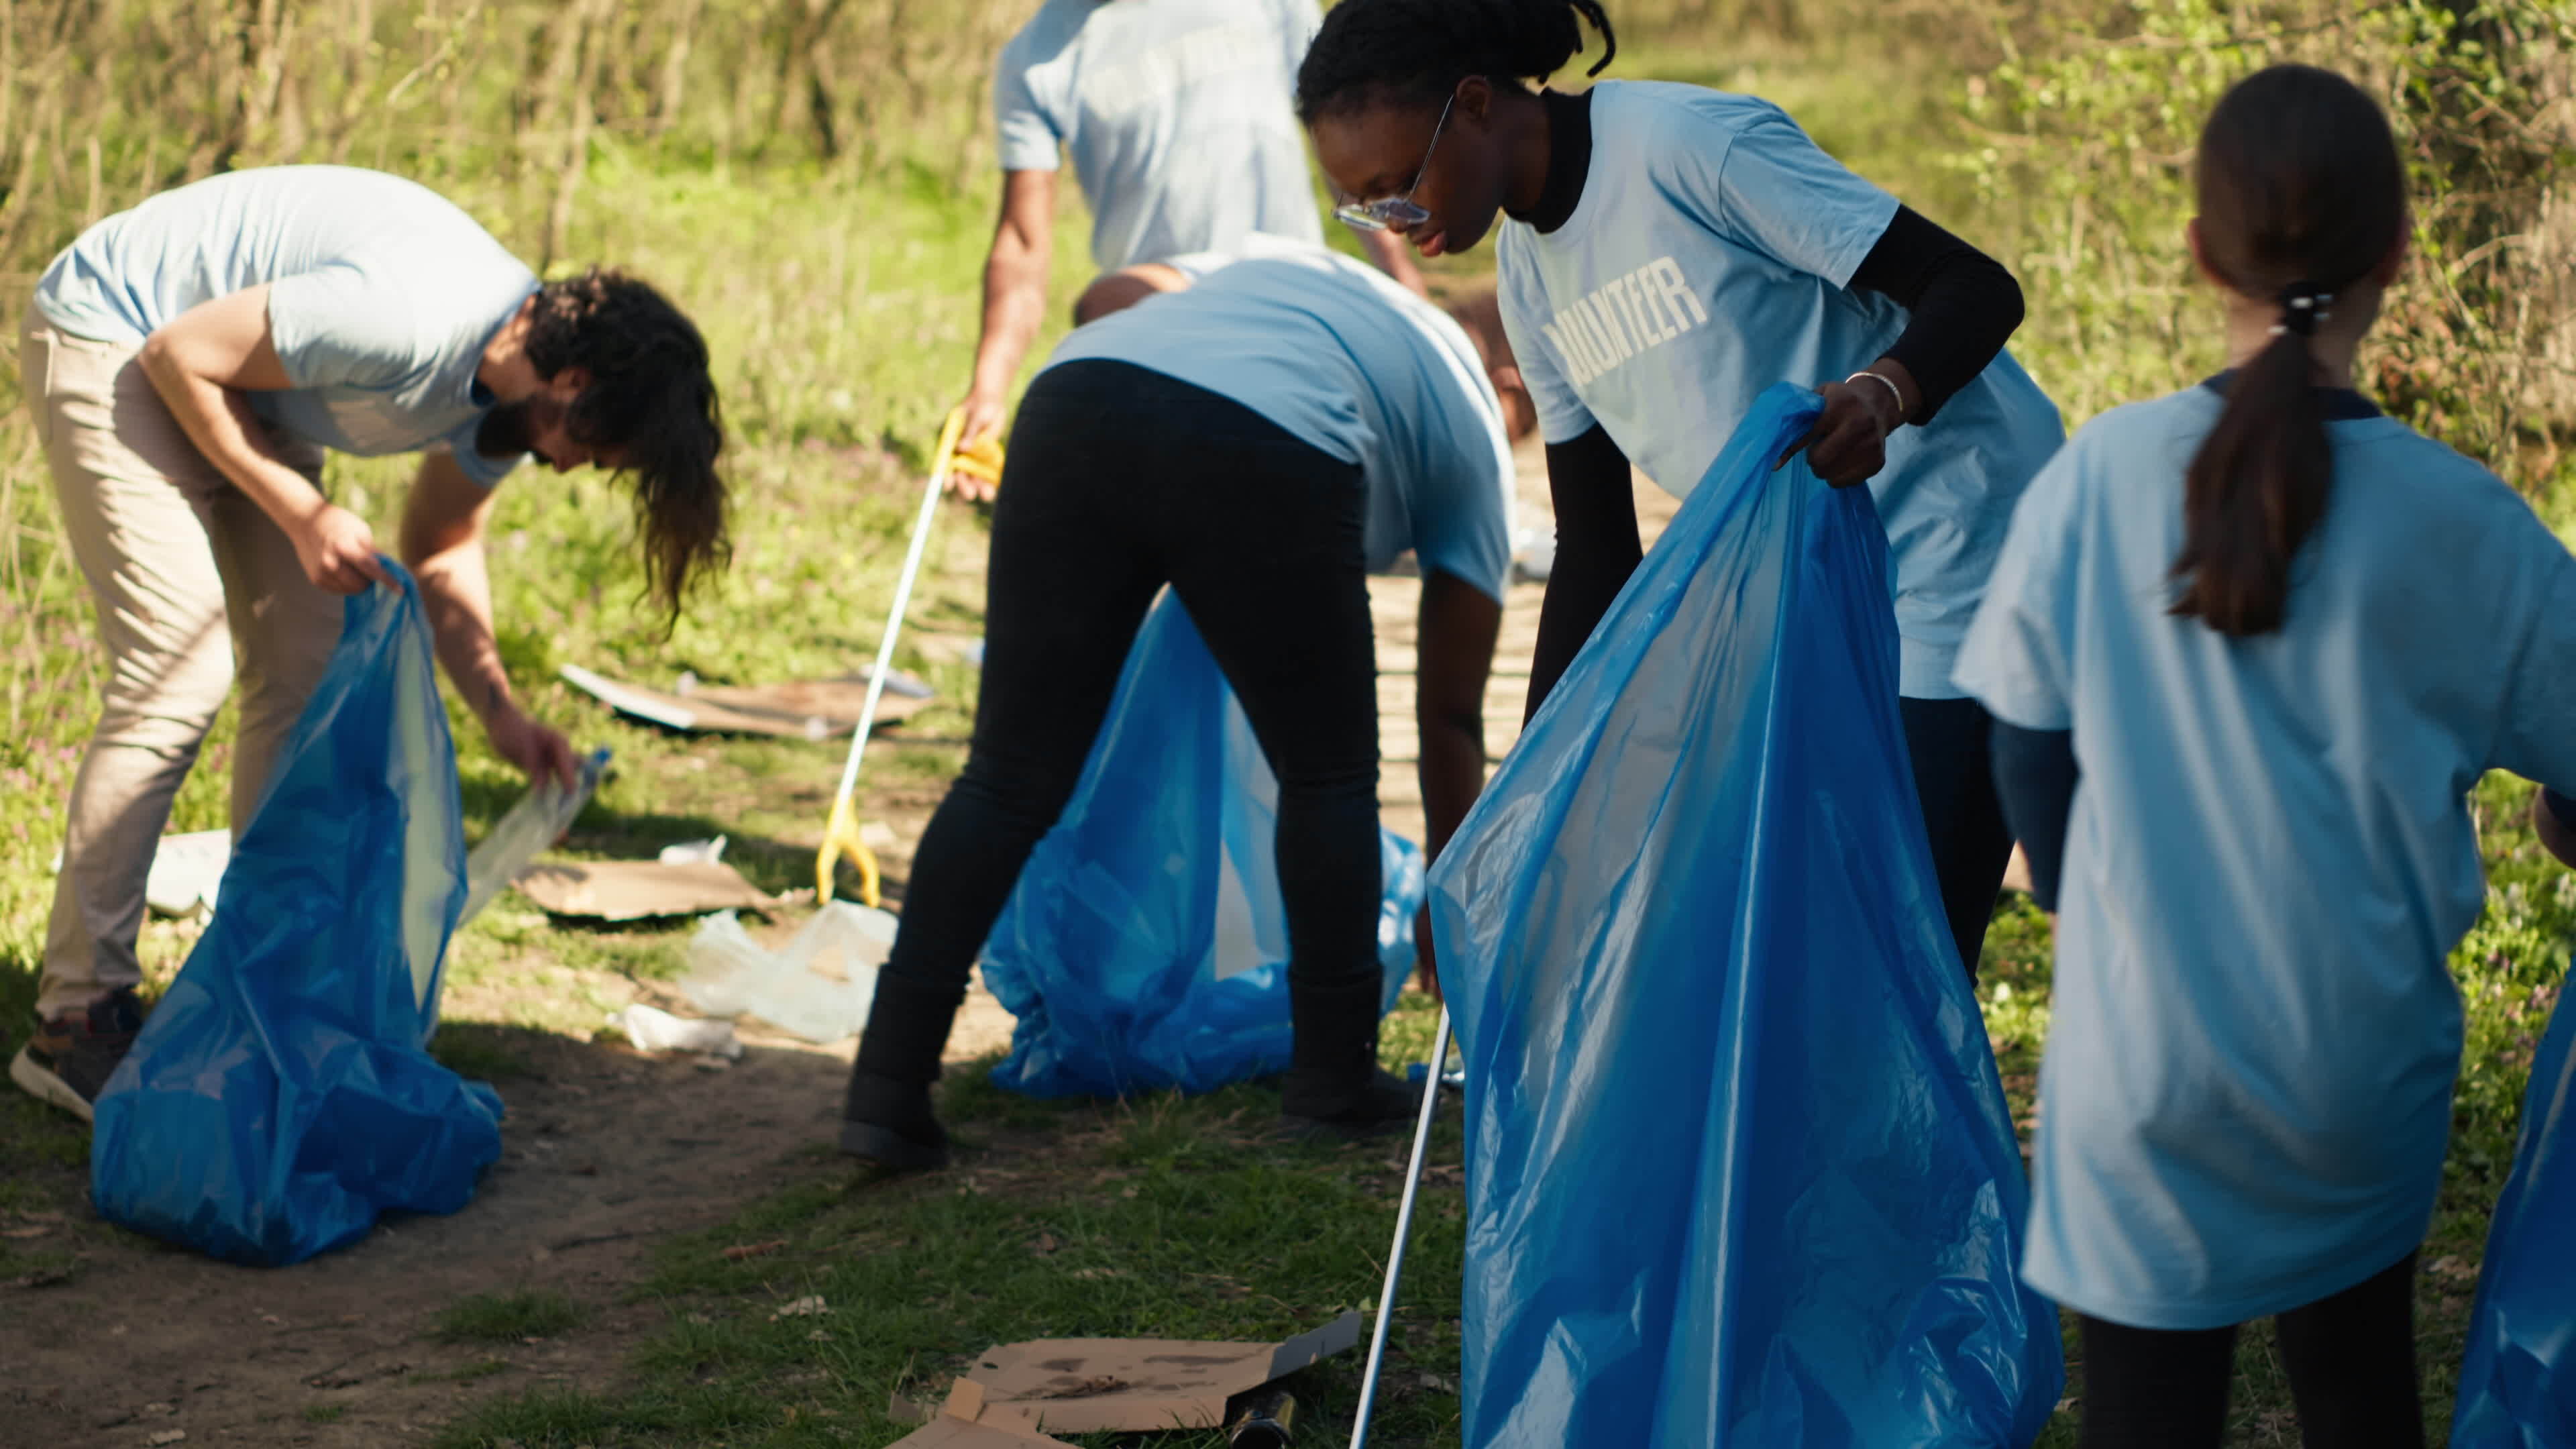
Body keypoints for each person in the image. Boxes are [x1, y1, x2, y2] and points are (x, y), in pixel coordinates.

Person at [1953, 64, 2576, 1448]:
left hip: (2145, 1082)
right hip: (2363, 1084)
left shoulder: (2099, 478)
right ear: (2398, 260)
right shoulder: (2475, 527)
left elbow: (2025, 741)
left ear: (2196, 251)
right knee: (2362, 1402)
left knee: (2144, 1422)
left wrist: (2077, 899)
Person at [1296, 0, 2064, 977]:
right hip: (1829, 586)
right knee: (1807, 937)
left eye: (1399, 186)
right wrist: (1523, 810)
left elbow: (1975, 285)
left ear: (1477, 106)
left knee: (1899, 952)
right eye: (1366, 208)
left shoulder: (1686, 148)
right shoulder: (1533, 282)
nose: (1400, 224)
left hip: (1970, 541)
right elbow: (1597, 554)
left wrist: (1884, 392)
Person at [11, 164, 729, 1120]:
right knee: (179, 666)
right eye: (597, 450)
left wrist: (502, 718)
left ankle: (253, 973)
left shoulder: (502, 404)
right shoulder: (414, 318)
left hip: (248, 390)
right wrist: (305, 510)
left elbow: (439, 546)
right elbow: (181, 355)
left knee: (307, 677)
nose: (576, 470)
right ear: (573, 382)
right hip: (120, 334)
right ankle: (77, 1018)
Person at [843, 242, 1513, 1169]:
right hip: (1274, 437)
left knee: (1006, 775)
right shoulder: (1477, 418)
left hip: (1075, 394)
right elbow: (1450, 712)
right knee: (1327, 772)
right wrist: (1454, 881)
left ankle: (885, 1085)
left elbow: (1107, 295)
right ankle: (1333, 1080)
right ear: (1512, 380)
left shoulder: (1298, 266)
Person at [953, 0, 1429, 490]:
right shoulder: (1035, 59)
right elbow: (1023, 240)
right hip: (1157, 319)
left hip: (1288, 294)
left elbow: (1345, 139)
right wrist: (988, 390)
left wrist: (1402, 277)